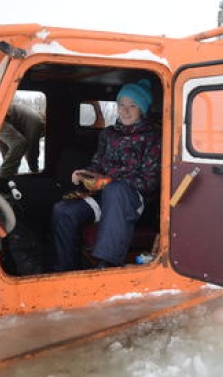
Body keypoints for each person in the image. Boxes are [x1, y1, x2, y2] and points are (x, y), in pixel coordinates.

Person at [52, 79, 160, 271]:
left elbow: (149, 183)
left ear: (142, 110)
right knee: (64, 210)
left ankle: (106, 265)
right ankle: (65, 269)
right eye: (121, 105)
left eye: (132, 106)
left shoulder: (152, 138)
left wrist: (110, 181)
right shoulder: (108, 134)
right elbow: (97, 165)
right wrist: (85, 175)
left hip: (134, 202)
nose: (125, 110)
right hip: (105, 196)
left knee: (116, 189)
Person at [0, 102, 45, 180]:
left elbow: (28, 150)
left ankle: (9, 179)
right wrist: (35, 171)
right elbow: (32, 149)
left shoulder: (29, 120)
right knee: (19, 144)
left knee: (9, 156)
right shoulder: (38, 123)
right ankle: (4, 179)